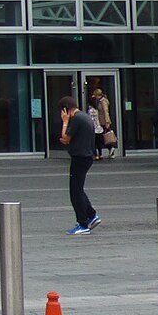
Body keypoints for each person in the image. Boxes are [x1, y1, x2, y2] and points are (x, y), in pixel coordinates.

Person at [58, 96, 100, 234]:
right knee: (78, 189)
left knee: (75, 192)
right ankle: (91, 215)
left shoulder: (76, 119)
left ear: (66, 109)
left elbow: (65, 138)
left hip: (79, 157)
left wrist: (65, 122)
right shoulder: (84, 116)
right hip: (86, 156)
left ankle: (82, 223)